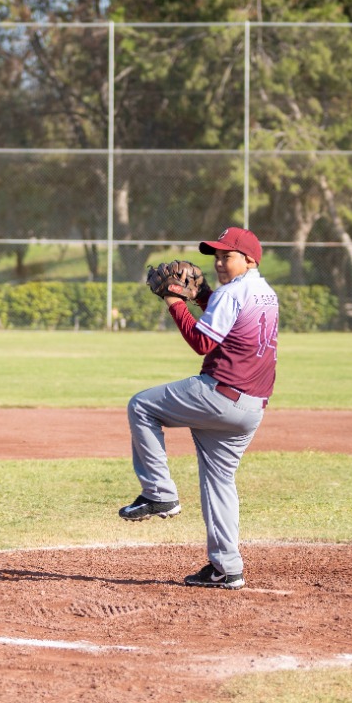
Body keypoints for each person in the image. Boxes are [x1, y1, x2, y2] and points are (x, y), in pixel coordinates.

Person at [119, 226, 279, 590]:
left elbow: (203, 342)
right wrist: (204, 295)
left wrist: (174, 301)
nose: (219, 262)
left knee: (141, 406)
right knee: (220, 481)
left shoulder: (231, 293)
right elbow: (228, 326)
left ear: (249, 259)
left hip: (219, 395)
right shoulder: (266, 293)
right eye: (217, 257)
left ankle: (159, 494)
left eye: (227, 256)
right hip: (251, 408)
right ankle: (227, 568)